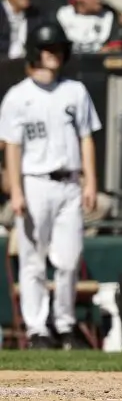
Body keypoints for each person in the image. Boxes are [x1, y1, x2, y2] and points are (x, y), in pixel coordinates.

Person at [0, 21, 102, 350]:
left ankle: (65, 322)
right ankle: (36, 327)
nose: (53, 55)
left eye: (58, 48)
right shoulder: (18, 97)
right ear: (35, 53)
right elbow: (12, 147)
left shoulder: (75, 91)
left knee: (69, 259)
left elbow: (86, 137)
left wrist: (91, 180)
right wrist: (15, 189)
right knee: (33, 258)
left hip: (69, 182)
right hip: (35, 182)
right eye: (47, 49)